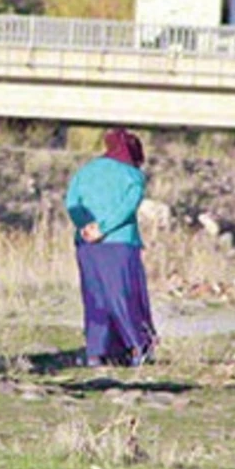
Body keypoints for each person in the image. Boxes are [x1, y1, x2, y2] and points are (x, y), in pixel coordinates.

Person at [65, 128, 157, 367]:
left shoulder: (85, 171)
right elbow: (128, 207)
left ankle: (96, 352)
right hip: (120, 243)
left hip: (87, 245)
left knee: (95, 298)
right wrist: (104, 228)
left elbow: (72, 202)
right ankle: (137, 347)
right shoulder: (133, 175)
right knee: (125, 296)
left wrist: (86, 226)